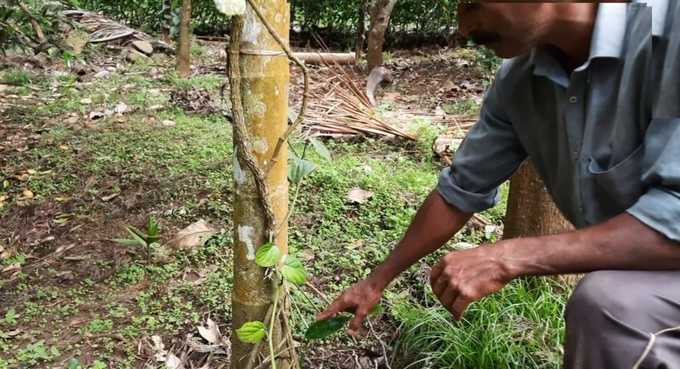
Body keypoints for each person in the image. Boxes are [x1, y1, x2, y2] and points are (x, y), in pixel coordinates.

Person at [318, 2, 680, 368]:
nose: (463, 29)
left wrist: (509, 256)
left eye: (469, 4)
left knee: (612, 306)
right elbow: (460, 191)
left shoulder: (669, 31)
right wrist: (375, 282)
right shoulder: (520, 81)